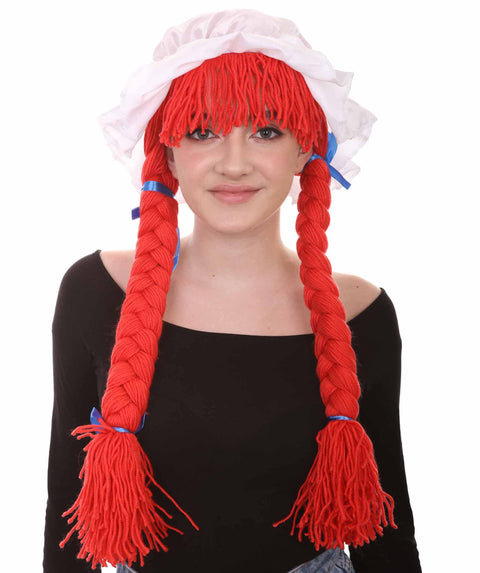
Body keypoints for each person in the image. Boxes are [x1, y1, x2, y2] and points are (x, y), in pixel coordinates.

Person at [43, 9, 422, 573]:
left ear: (306, 149)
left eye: (266, 131)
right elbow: (67, 515)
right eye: (203, 131)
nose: (235, 164)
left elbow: (382, 529)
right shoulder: (95, 292)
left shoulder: (361, 313)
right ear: (168, 152)